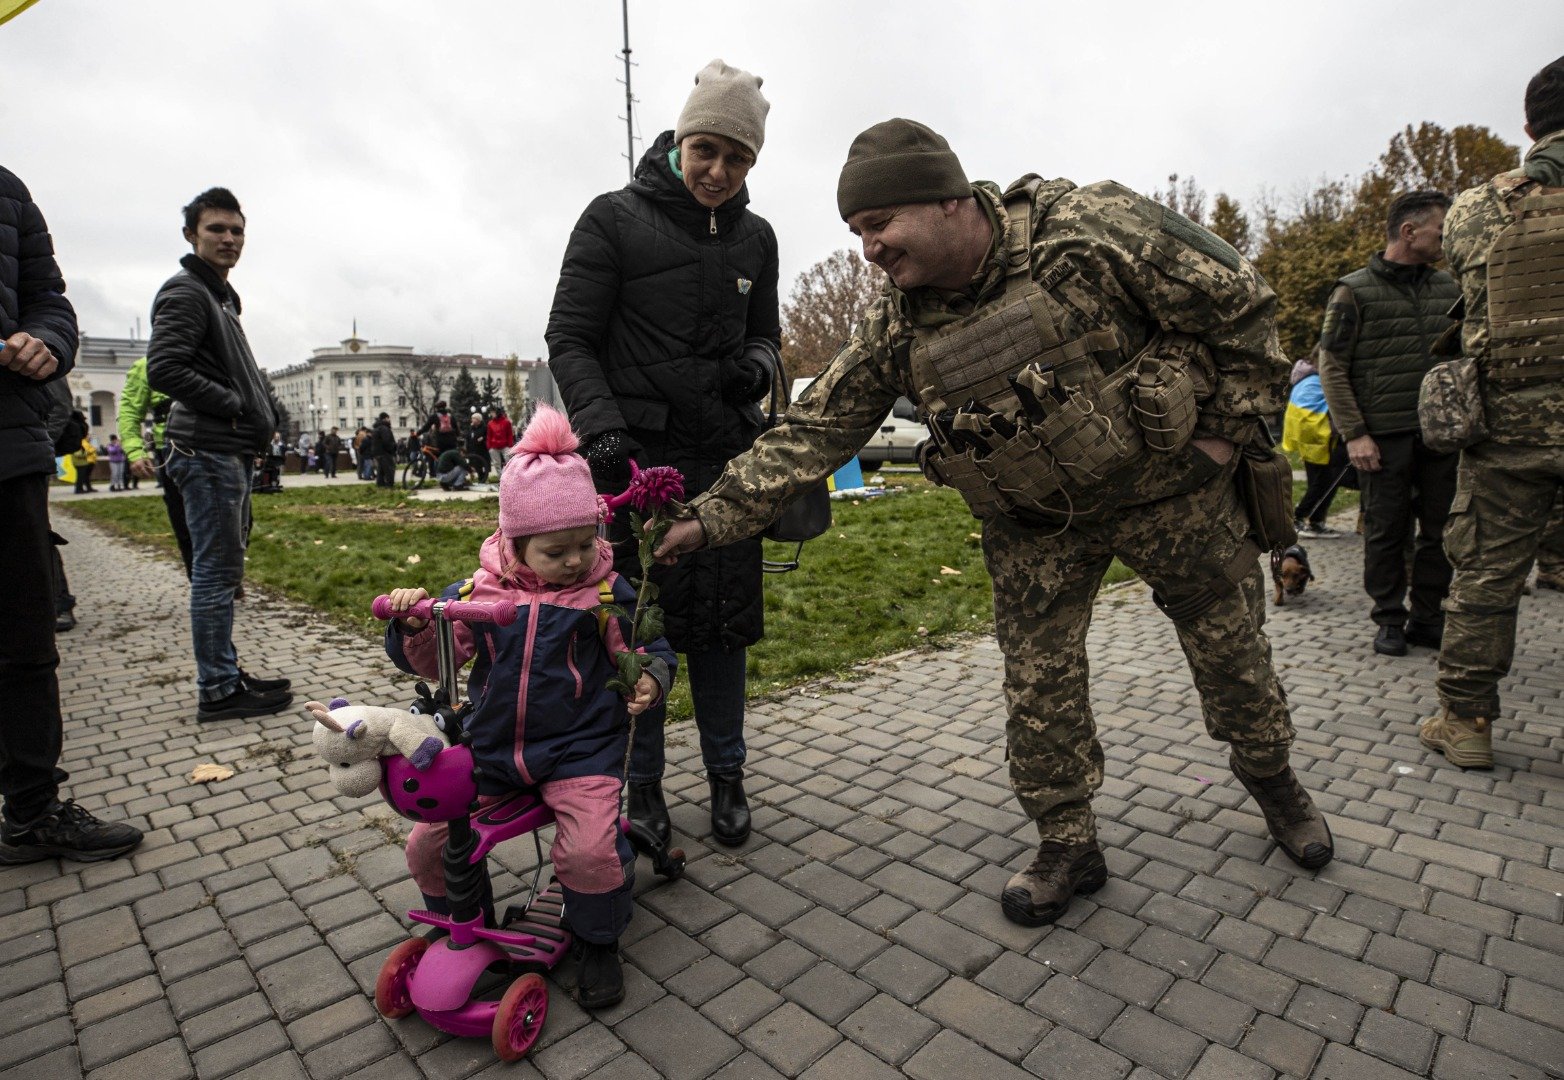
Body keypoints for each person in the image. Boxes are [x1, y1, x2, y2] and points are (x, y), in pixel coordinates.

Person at [656, 119, 1335, 926]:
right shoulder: (897, 322)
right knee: (1039, 687)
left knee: (1232, 657)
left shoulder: (1089, 231)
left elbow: (1241, 304)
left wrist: (1222, 434)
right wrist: (707, 519)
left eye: (879, 226)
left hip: (1173, 498)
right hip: (1038, 526)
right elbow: (818, 429)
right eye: (857, 232)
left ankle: (1277, 787)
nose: (868, 249)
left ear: (948, 201)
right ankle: (1067, 841)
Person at [548, 58, 779, 849]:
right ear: (681, 139)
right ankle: (640, 786)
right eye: (706, 149)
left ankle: (728, 776)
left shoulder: (757, 238)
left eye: (738, 157)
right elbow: (570, 338)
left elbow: (768, 338)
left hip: (722, 466)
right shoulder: (612, 219)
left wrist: (761, 365)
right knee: (637, 631)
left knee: (722, 626)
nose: (718, 171)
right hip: (637, 469)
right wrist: (603, 431)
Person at [383, 404, 675, 1008]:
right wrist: (415, 622)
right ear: (515, 542)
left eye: (583, 542)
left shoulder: (602, 591)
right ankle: (464, 930)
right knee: (429, 843)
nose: (574, 559)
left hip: (578, 749)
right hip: (493, 753)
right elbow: (437, 660)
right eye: (555, 550)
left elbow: (645, 648)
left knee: (591, 849)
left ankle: (598, 938)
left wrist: (649, 678)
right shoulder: (478, 591)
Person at [1422, 57, 1564, 770]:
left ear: (1530, 126)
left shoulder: (1480, 208)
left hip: (1512, 427)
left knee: (1485, 577)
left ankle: (1466, 721)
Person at [0, 164, 143, 864]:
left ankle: (30, 810)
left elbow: (50, 301)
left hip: (5, 447)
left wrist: (46, 343)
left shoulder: (7, 192)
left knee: (25, 642)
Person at [147, 187, 293, 723]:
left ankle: (226, 673)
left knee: (224, 572)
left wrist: (264, 411)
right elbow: (165, 368)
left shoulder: (222, 297)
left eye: (236, 230)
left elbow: (243, 370)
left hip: (224, 451)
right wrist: (235, 406)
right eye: (216, 229)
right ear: (192, 235)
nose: (229, 239)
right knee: (214, 573)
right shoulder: (187, 292)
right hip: (205, 449)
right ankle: (217, 689)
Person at [1317, 191, 1461, 657]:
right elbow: (1332, 366)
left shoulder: (1449, 289)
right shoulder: (1353, 291)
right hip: (1383, 437)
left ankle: (1427, 617)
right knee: (1386, 530)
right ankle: (1390, 618)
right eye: (1440, 231)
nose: (1445, 239)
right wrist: (1354, 433)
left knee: (1441, 532)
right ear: (1408, 231)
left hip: (1440, 435)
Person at [119, 355, 192, 576]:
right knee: (183, 519)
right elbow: (130, 410)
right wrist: (134, 451)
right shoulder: (146, 365)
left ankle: (229, 569)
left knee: (241, 517)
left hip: (220, 445)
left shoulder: (214, 353)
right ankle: (200, 577)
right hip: (171, 450)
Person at [1281, 351, 1348, 537]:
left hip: (1307, 434)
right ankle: (1299, 518)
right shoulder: (1320, 379)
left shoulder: (1306, 375)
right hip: (1318, 433)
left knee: (1320, 481)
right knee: (1325, 481)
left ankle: (1316, 521)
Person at [486, 405, 514, 478]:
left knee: (509, 462)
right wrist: (489, 447)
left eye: (493, 412)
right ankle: (501, 479)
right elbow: (489, 435)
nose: (491, 414)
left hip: (505, 446)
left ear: (497, 413)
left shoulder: (506, 422)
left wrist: (510, 445)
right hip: (494, 446)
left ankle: (510, 478)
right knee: (496, 464)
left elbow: (510, 434)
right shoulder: (490, 423)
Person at [372, 412, 397, 489]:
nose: (389, 420)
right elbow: (387, 441)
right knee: (389, 470)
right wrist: (393, 448)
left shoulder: (376, 428)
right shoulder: (384, 428)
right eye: (388, 418)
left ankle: (380, 486)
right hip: (385, 453)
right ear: (385, 418)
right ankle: (390, 486)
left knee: (381, 471)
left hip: (378, 453)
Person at [464, 411, 490, 483]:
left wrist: (483, 438)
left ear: (478, 420)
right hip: (472, 450)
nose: (472, 420)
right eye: (472, 418)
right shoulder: (471, 428)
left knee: (483, 465)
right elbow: (468, 437)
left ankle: (483, 479)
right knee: (476, 466)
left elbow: (488, 436)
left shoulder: (484, 427)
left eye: (474, 418)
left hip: (482, 449)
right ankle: (480, 479)